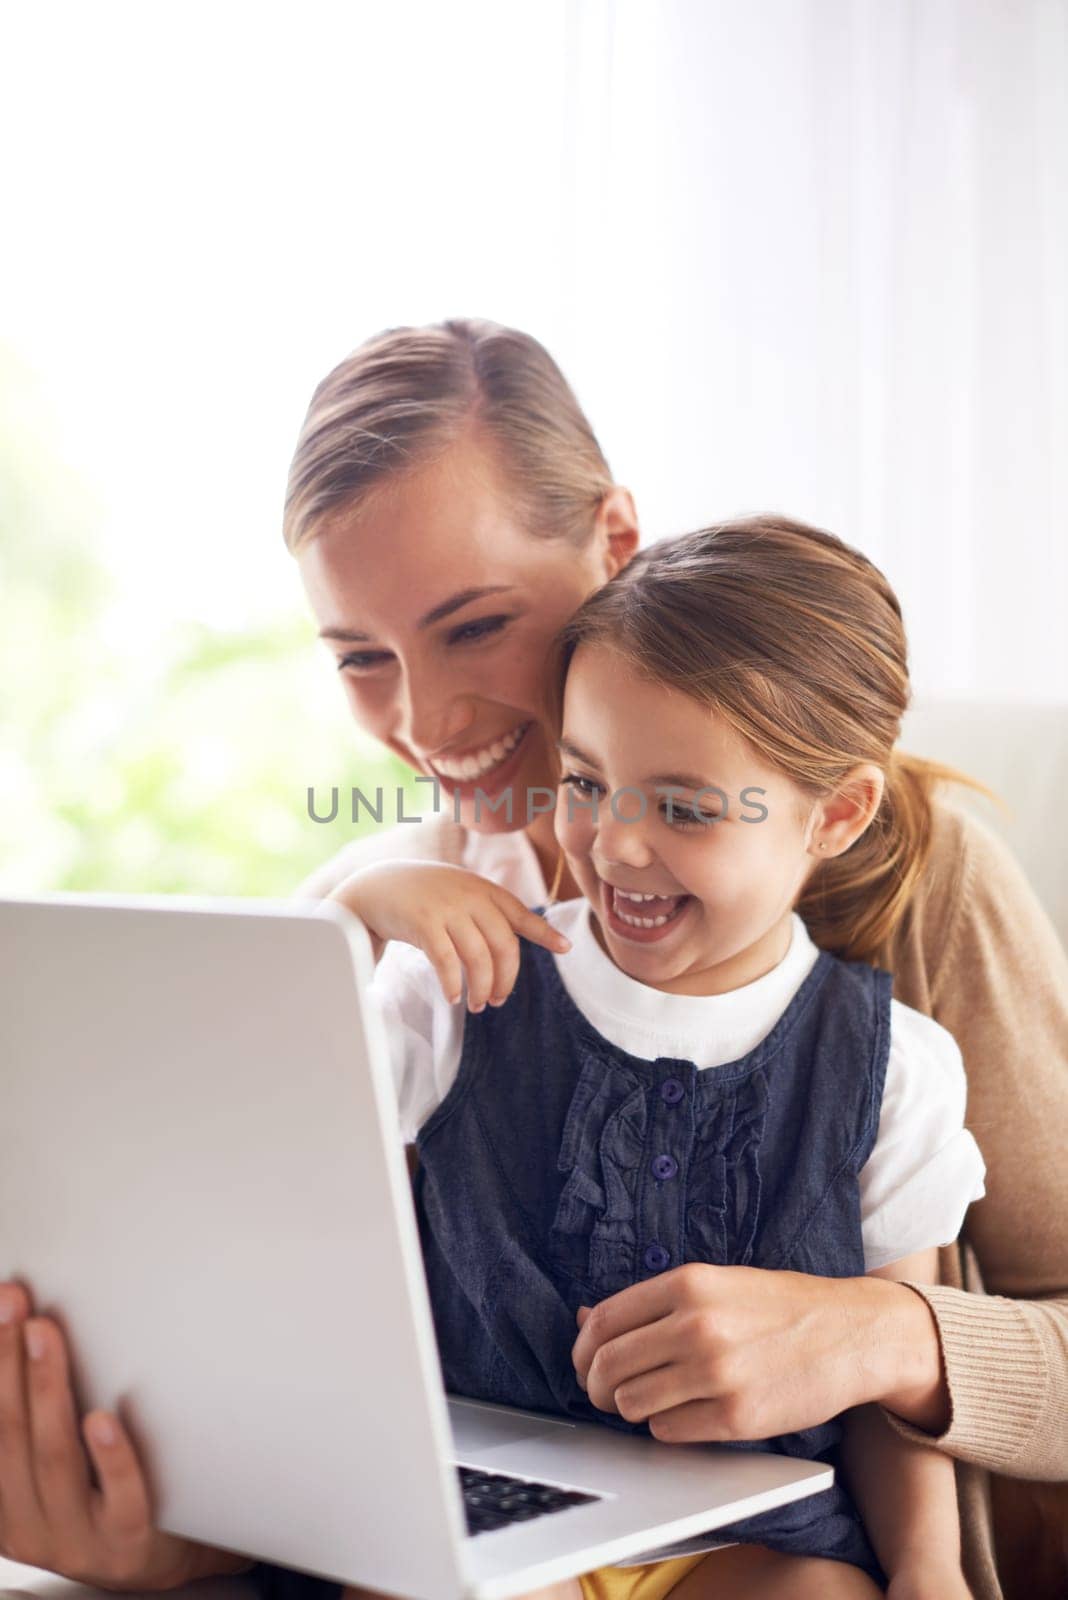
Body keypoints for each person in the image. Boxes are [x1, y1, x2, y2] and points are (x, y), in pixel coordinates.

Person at [0, 322, 1065, 1599]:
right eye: (360, 659)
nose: (429, 724)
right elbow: (340, 1376)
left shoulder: (911, 879)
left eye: (476, 625)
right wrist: (167, 1534)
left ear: (615, 542)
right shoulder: (395, 920)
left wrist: (895, 1336)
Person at [328, 513, 988, 1599]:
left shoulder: (893, 1069)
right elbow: (270, 1177)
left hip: (754, 1542)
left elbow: (885, 1380)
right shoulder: (458, 987)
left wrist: (932, 1572)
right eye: (585, 783)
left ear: (836, 814)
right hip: (489, 1526)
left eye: (683, 806)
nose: (618, 843)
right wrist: (356, 922)